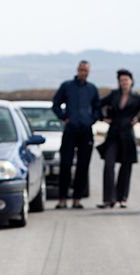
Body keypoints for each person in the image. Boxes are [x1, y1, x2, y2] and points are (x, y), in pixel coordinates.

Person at [96, 69, 140, 208]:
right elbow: (98, 104)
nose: (124, 83)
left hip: (127, 135)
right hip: (113, 134)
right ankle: (108, 199)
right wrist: (103, 117)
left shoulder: (137, 98)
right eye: (121, 80)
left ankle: (121, 198)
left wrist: (139, 120)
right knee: (108, 165)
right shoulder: (113, 95)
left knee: (126, 167)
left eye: (126, 80)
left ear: (131, 81)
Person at [51, 60, 101, 209]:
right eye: (81, 70)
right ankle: (62, 199)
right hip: (70, 130)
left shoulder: (92, 89)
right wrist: (64, 117)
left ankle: (77, 199)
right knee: (65, 165)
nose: (83, 73)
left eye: (86, 71)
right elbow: (55, 104)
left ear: (89, 72)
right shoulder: (67, 86)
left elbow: (98, 108)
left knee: (83, 166)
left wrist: (91, 120)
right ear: (77, 70)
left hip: (85, 131)